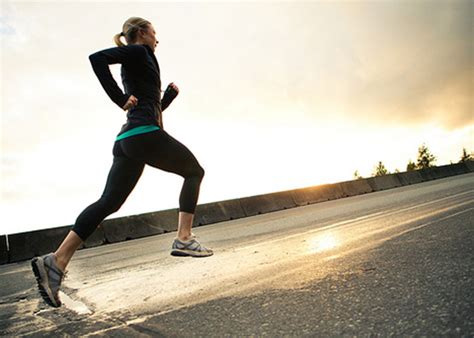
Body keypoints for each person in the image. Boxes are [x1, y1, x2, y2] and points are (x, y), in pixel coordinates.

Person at [31, 17, 213, 308]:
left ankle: (56, 261)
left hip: (128, 140)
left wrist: (166, 99)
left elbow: (146, 106)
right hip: (142, 135)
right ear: (142, 33)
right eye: (154, 32)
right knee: (194, 171)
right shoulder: (140, 52)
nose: (157, 39)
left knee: (108, 202)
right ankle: (184, 238)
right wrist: (118, 98)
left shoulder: (142, 61)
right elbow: (97, 59)